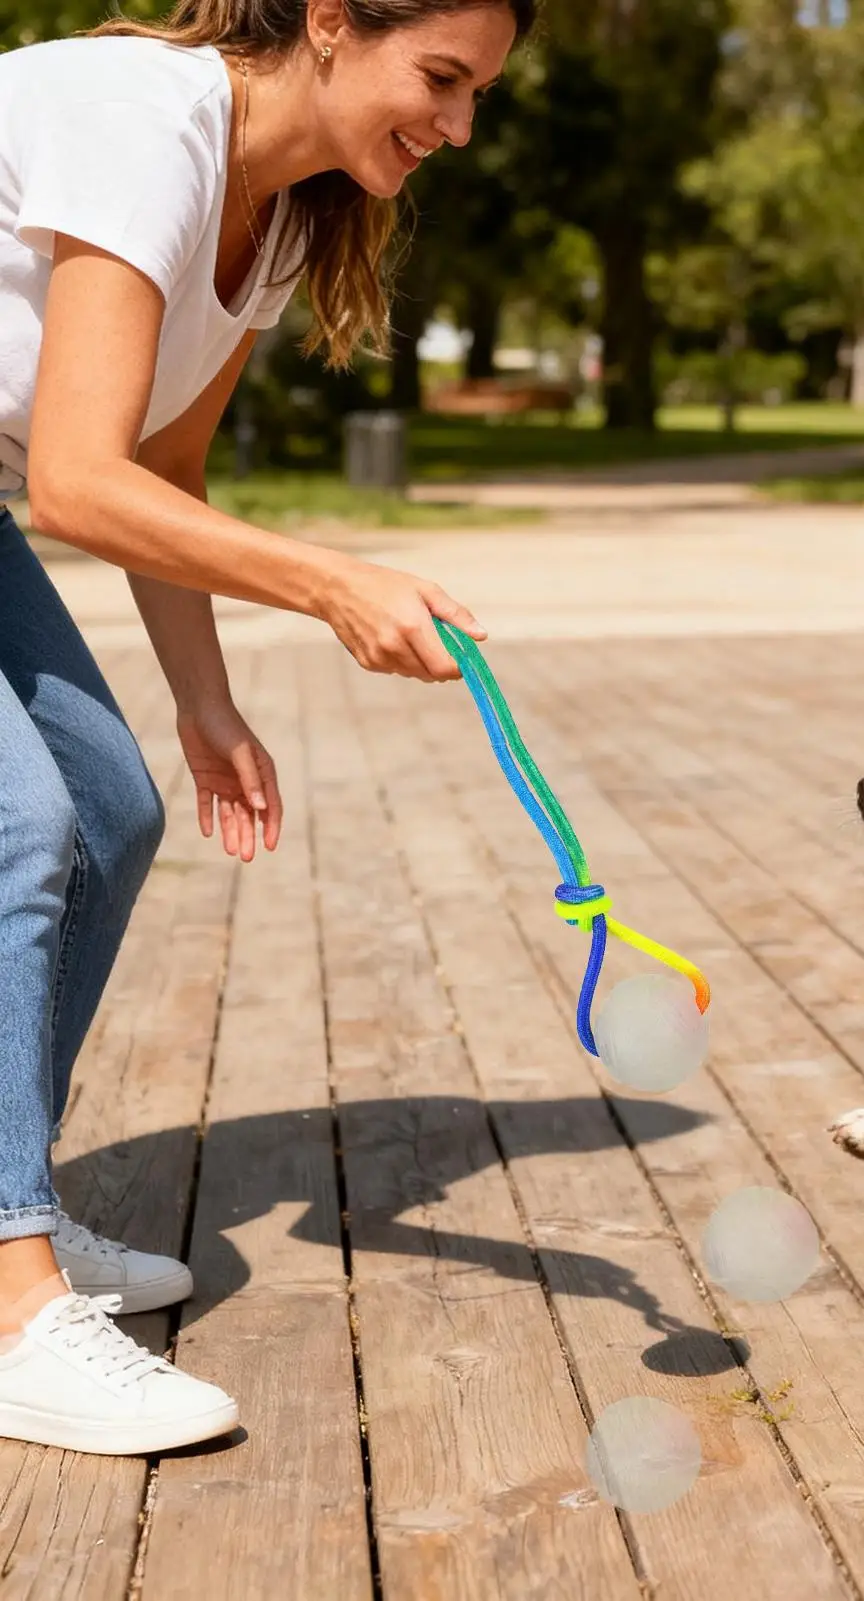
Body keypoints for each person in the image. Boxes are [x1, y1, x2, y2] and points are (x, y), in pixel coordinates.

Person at [0, 0, 532, 1455]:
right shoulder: (144, 118)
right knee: (20, 825)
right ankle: (8, 1294)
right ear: (327, 23)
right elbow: (73, 485)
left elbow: (159, 463)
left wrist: (203, 695)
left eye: (478, 95)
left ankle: (4, 1206)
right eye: (439, 78)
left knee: (112, 812)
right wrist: (333, 580)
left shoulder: (287, 212)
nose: (457, 127)